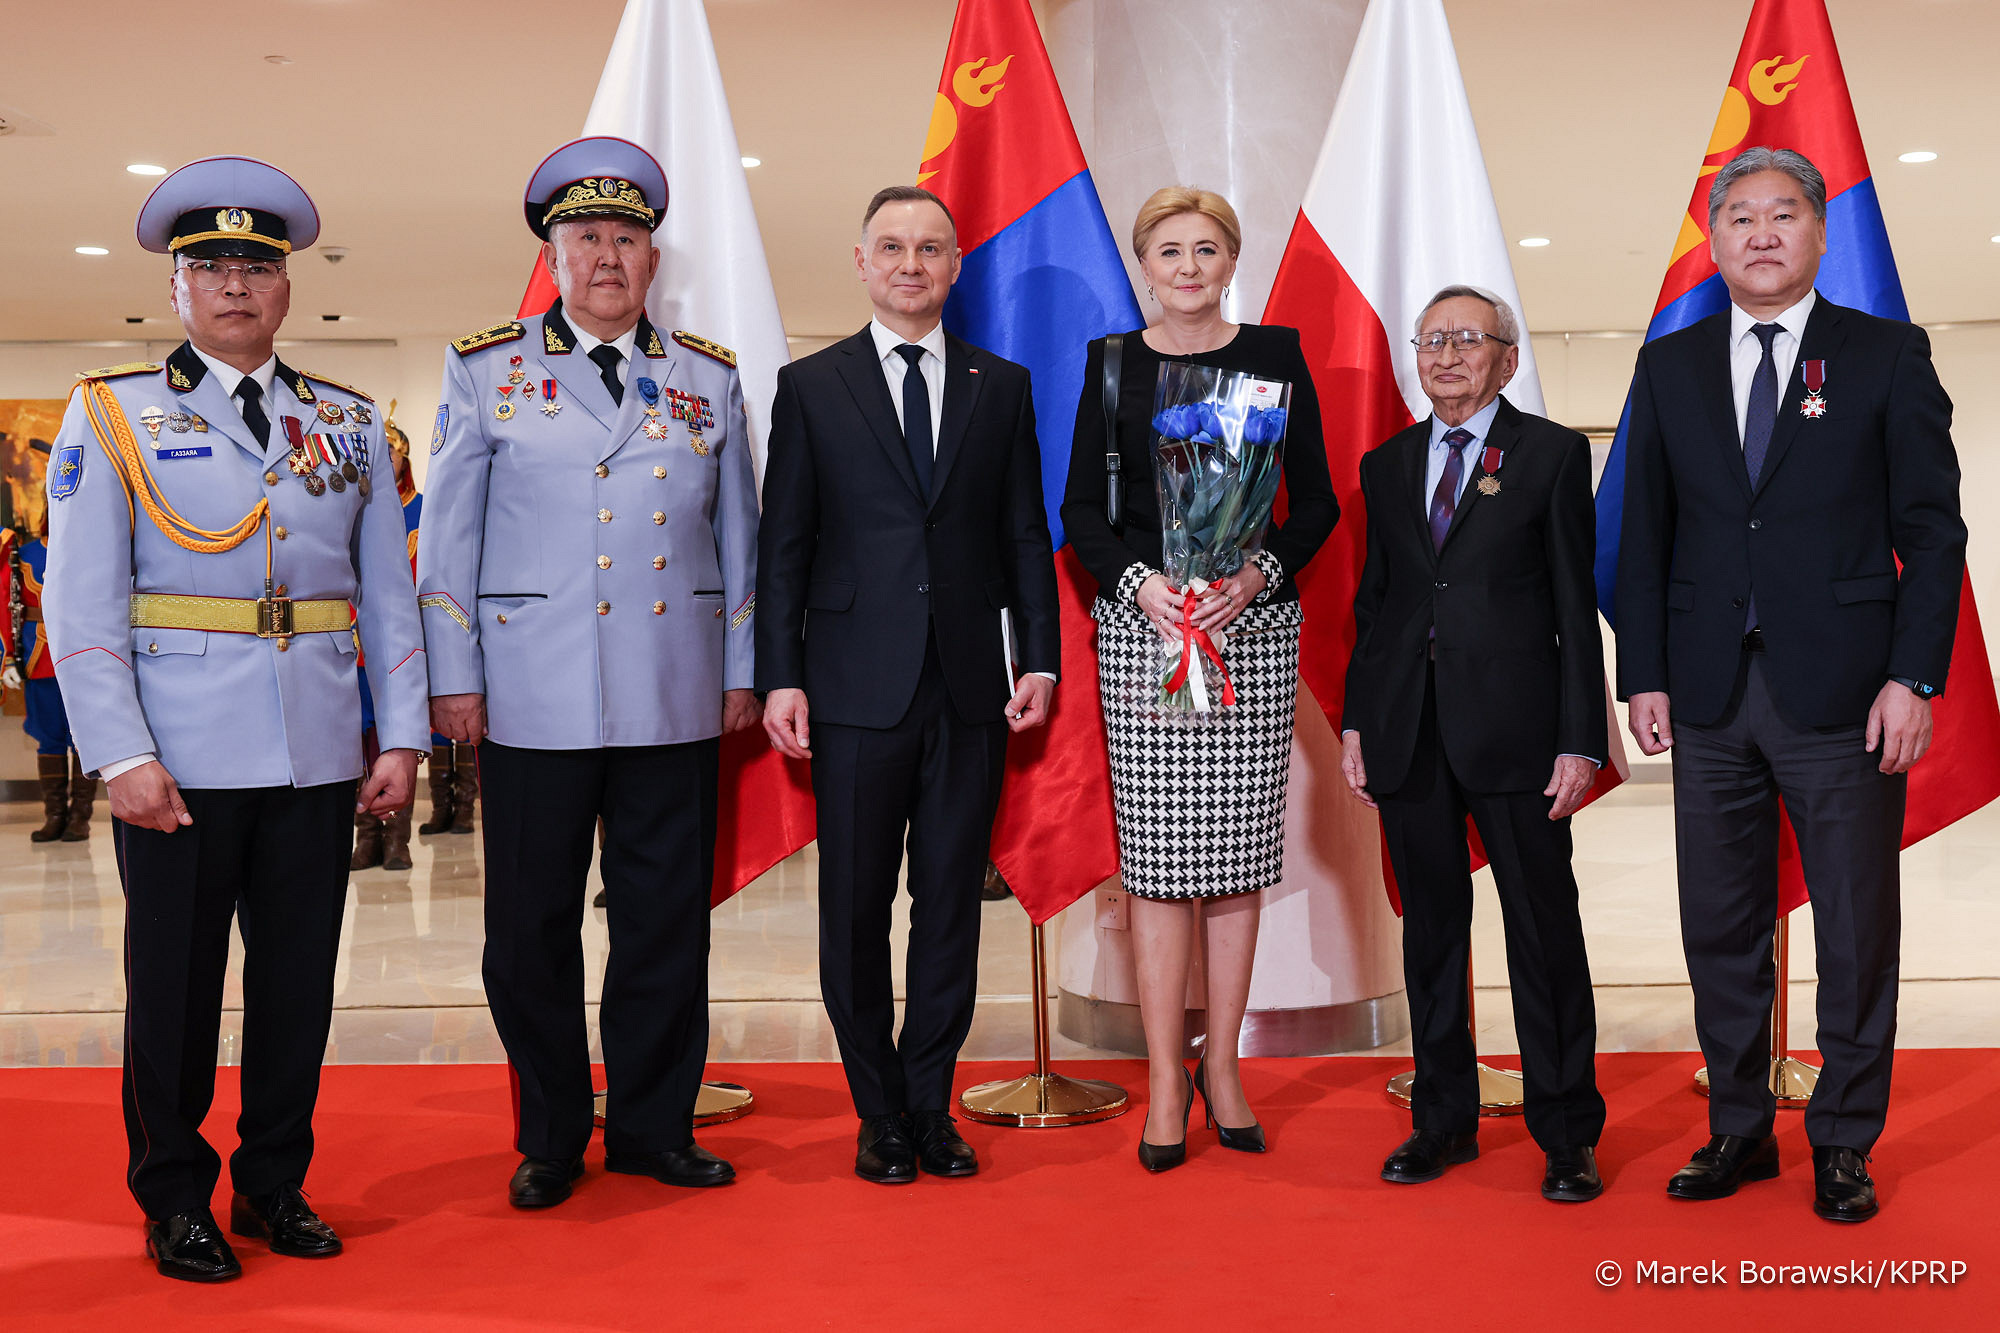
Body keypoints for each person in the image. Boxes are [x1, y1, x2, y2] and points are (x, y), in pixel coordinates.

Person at [43, 156, 427, 1281]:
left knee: (298, 983)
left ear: (286, 285)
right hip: (178, 758)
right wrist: (120, 753)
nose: (234, 285)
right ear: (177, 288)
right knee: (172, 986)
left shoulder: (345, 424)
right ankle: (174, 1196)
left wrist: (396, 733)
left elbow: (388, 599)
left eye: (255, 265)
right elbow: (83, 607)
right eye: (210, 265)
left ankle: (272, 1182)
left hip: (312, 752)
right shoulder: (113, 412)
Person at [1617, 147, 1966, 1223]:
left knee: (1855, 928)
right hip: (1710, 692)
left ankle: (1842, 1138)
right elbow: (1645, 536)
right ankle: (1734, 1128)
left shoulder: (1883, 354)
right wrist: (1642, 672)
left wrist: (1912, 675)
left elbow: (1930, 529)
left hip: (1847, 693)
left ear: (1819, 235)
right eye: (1737, 217)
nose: (1759, 233)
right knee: (1718, 923)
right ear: (1711, 240)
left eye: (1781, 215)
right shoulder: (1668, 367)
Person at [418, 136, 761, 1209]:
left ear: (651, 260)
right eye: (584, 238)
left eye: (625, 238)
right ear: (552, 258)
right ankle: (553, 1131)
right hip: (531, 692)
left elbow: (739, 542)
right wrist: (452, 676)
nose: (606, 256)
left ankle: (656, 1124)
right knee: (528, 928)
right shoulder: (487, 370)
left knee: (664, 920)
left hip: (673, 688)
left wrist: (741, 664)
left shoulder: (706, 376)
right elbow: (448, 548)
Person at [758, 185, 1058, 1185]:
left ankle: (929, 1104)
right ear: (860, 262)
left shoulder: (998, 385)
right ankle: (875, 1109)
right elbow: (783, 547)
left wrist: (1042, 656)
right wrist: (779, 675)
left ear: (955, 262)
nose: (910, 263)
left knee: (949, 906)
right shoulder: (810, 385)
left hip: (969, 686)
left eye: (929, 247)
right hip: (848, 688)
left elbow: (1023, 532)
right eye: (891, 246)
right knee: (853, 908)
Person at [1060, 186, 1337, 1172]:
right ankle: (1165, 1082)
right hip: (1146, 634)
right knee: (1157, 869)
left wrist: (1255, 571)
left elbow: (1317, 505)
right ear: (1144, 263)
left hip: (1249, 633)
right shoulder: (1109, 366)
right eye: (1167, 249)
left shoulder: (1274, 356)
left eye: (1205, 249)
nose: (1186, 266)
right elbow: (1080, 517)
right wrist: (1142, 587)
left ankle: (1222, 1065)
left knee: (1232, 863)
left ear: (1230, 261)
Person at [1340, 285, 1608, 1201]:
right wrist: (1359, 722)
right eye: (1433, 340)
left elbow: (1577, 607)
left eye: (1469, 340)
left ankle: (1567, 1131)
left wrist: (1582, 737)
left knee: (1543, 933)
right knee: (1433, 941)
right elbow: (1377, 606)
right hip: (1411, 732)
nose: (1448, 355)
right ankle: (1441, 1119)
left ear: (1506, 356)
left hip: (1522, 736)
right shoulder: (1388, 462)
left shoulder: (1553, 455)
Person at [351, 408, 424, 872]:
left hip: (400, 642)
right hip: (352, 644)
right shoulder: (350, 502)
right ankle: (366, 838)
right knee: (357, 745)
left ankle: (397, 837)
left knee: (395, 741)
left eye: (395, 453)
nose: (390, 460)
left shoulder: (423, 509)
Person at [2, 519, 95, 841]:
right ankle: (55, 815)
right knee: (48, 736)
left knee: (84, 737)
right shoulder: (22, 554)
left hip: (83, 654)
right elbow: (7, 605)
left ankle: (81, 817)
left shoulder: (89, 546)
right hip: (38, 656)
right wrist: (9, 657)